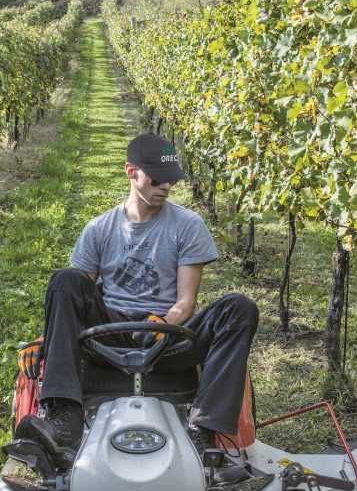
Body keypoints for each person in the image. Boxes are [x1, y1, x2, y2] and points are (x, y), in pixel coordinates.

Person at [15, 133, 259, 467]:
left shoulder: (187, 226)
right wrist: (47, 339)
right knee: (65, 280)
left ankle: (204, 430)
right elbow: (73, 301)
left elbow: (186, 302)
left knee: (239, 308)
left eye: (171, 181)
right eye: (157, 180)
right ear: (131, 172)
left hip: (167, 338)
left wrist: (166, 323)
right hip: (108, 336)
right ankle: (63, 420)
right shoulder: (99, 229)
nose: (165, 188)